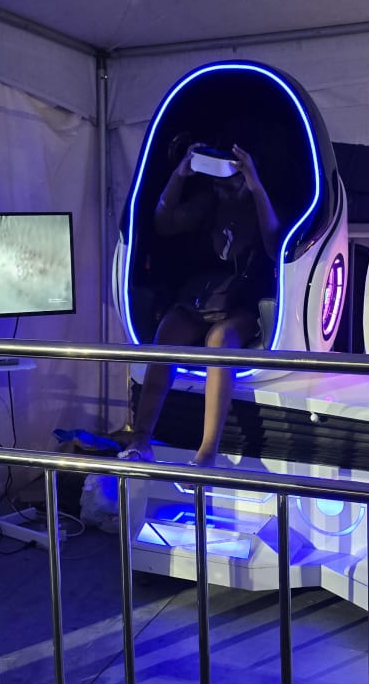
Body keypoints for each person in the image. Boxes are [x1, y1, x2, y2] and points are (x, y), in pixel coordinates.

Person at [116, 133, 281, 467]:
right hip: (204, 294)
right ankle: (141, 439)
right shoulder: (210, 202)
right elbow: (164, 222)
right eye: (219, 183)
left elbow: (275, 243)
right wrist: (180, 174)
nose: (223, 189)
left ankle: (207, 452)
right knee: (167, 333)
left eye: (230, 182)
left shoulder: (259, 201)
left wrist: (254, 186)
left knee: (220, 341)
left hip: (244, 301)